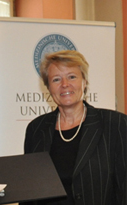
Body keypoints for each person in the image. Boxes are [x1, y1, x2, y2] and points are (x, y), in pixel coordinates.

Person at [22, 50, 126, 205]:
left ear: (84, 82)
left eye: (72, 77)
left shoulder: (116, 124)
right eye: (56, 79)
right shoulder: (36, 129)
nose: (65, 84)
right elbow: (30, 191)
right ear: (48, 88)